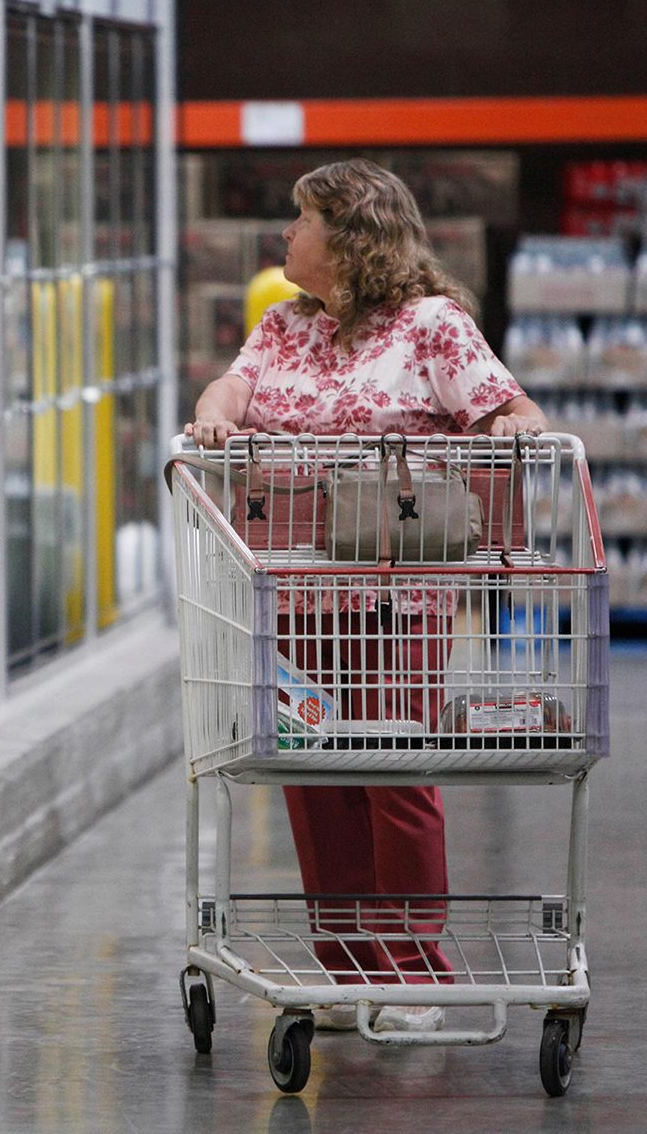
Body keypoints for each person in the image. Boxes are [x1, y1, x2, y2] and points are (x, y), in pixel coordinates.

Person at [184, 159, 548, 1033]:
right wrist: (217, 412)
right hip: (294, 593)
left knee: (393, 770)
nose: (287, 233)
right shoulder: (283, 326)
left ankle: (415, 976)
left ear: (351, 236)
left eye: (302, 218)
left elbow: (511, 410)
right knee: (314, 778)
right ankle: (347, 970)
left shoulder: (432, 327)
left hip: (398, 596)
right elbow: (233, 385)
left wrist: (513, 427)